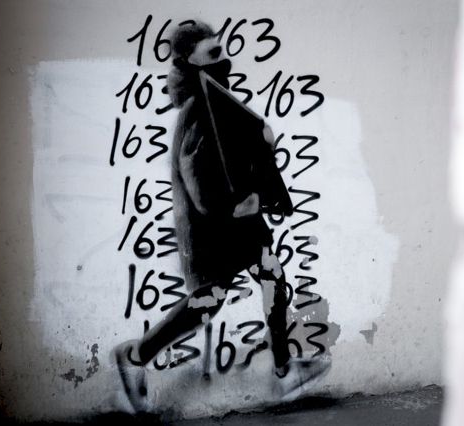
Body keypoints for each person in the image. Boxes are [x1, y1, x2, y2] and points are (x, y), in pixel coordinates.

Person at [114, 21, 329, 413]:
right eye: (213, 54)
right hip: (213, 232)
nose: (224, 59)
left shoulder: (215, 99)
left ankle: (284, 372)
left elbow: (234, 151)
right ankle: (134, 357)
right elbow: (200, 186)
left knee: (271, 276)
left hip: (236, 227)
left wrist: (261, 145)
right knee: (206, 304)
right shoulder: (198, 111)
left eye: (222, 49)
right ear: (191, 62)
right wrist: (245, 202)